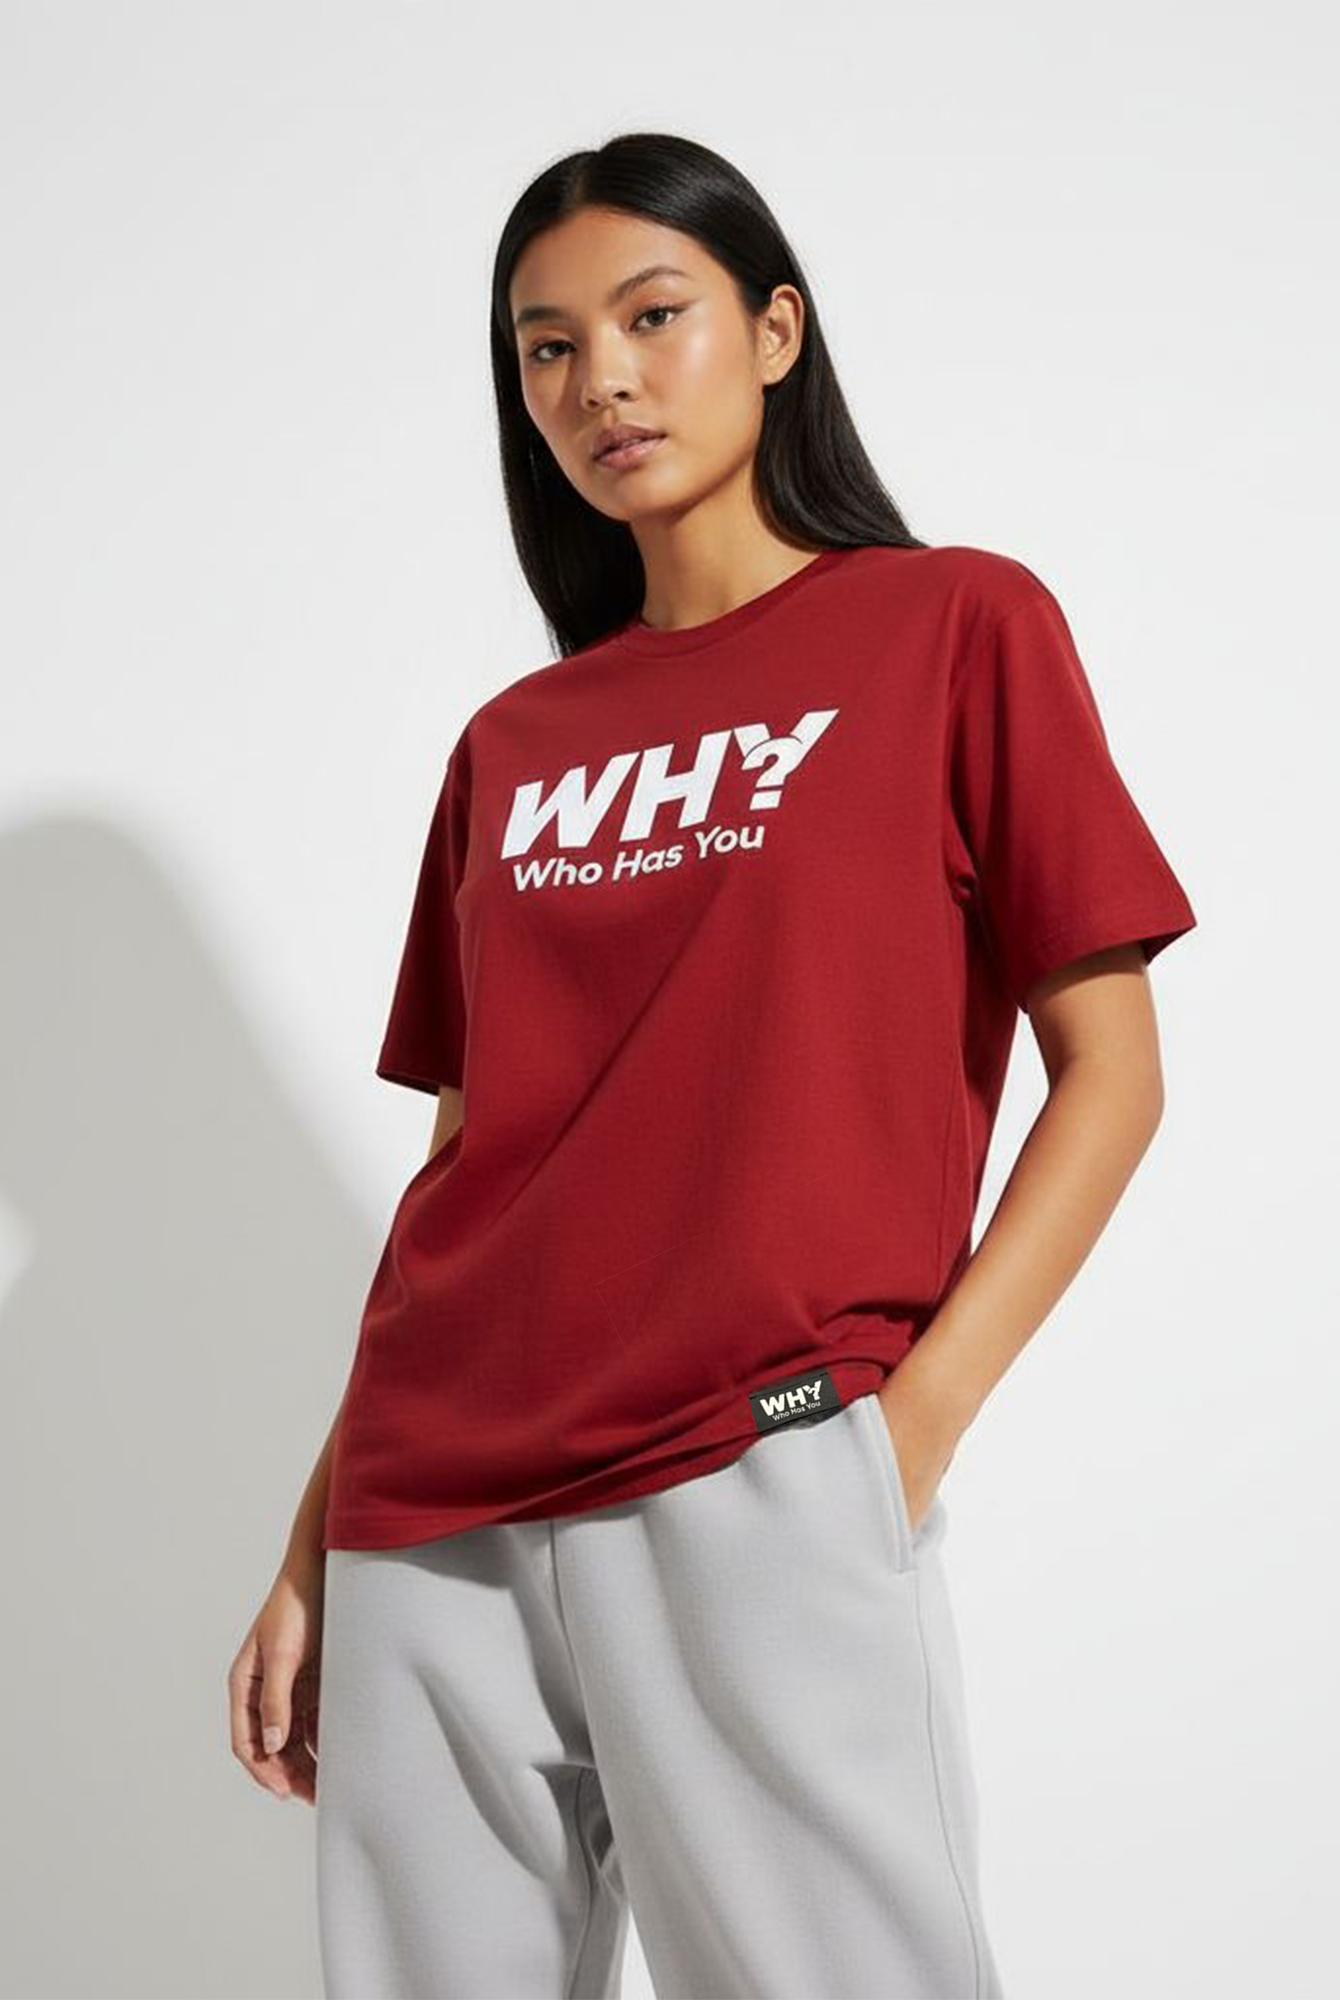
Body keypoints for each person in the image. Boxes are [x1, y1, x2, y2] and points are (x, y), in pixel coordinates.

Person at [228, 131, 1197, 2000]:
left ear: (774, 331)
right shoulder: (514, 741)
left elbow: (1115, 1072)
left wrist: (899, 1437)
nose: (599, 380)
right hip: (432, 1511)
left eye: (651, 316)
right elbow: (464, 1159)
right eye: (546, 347)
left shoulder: (952, 626)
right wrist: (310, 1541)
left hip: (754, 1464)